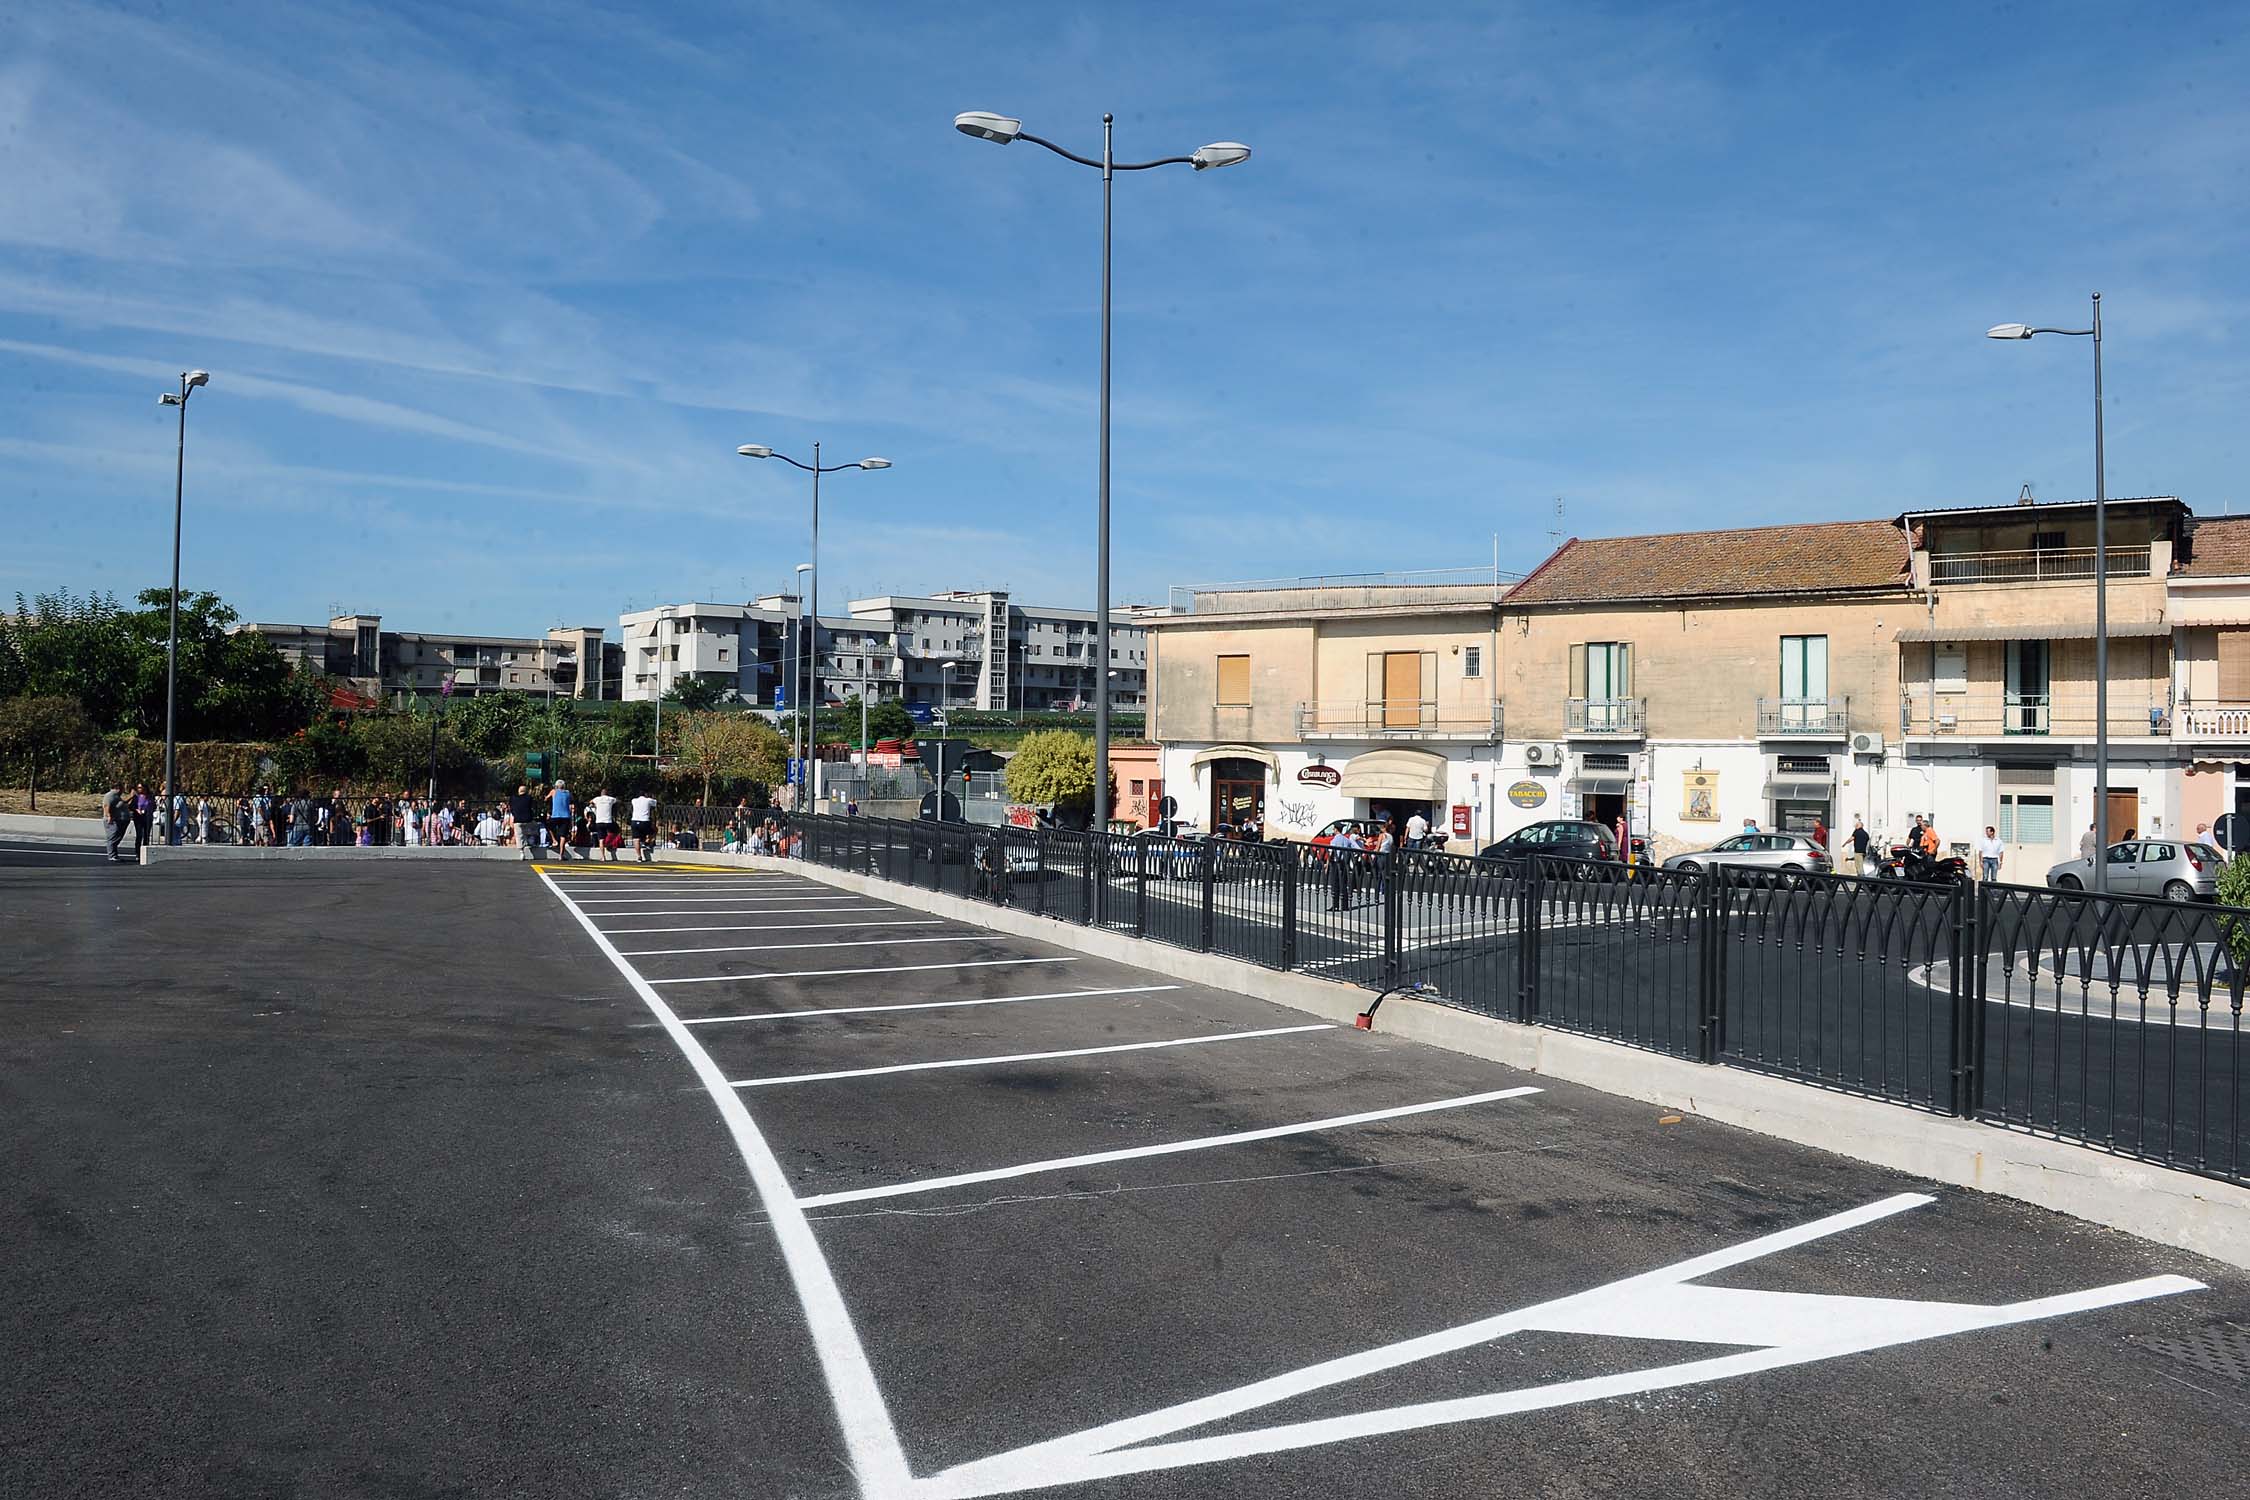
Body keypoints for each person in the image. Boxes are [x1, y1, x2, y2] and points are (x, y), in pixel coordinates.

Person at [1328, 826, 1362, 911]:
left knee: (1335, 884)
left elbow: (1331, 852)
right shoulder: (1346, 840)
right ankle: (1345, 905)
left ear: (1336, 829)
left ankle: (1335, 905)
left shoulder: (1334, 840)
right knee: (1343, 883)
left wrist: (1327, 864)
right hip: (1344, 863)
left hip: (1336, 863)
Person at [547, 781, 575, 859]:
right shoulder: (568, 793)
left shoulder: (553, 791)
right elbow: (572, 799)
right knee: (563, 835)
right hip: (566, 816)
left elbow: (546, 798)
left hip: (555, 815)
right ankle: (561, 855)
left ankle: (554, 840)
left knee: (549, 826)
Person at [629, 789, 658, 862]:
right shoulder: (648, 800)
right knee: (653, 831)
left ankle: (639, 856)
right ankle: (647, 842)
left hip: (634, 821)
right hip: (645, 820)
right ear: (645, 794)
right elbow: (655, 803)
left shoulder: (634, 800)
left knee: (636, 838)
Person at [590, 787, 621, 853]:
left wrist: (595, 805)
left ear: (601, 794)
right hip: (608, 821)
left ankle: (603, 857)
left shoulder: (597, 799)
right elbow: (618, 801)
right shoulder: (610, 799)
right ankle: (608, 843)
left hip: (599, 821)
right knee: (615, 832)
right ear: (607, 794)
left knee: (601, 839)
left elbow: (591, 801)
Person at [129, 783, 154, 857]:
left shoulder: (150, 797)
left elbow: (154, 806)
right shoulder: (136, 797)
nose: (140, 789)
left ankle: (145, 852)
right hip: (138, 818)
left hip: (148, 817)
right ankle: (138, 853)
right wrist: (137, 810)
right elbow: (131, 806)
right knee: (139, 835)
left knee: (146, 835)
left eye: (141, 787)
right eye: (138, 787)